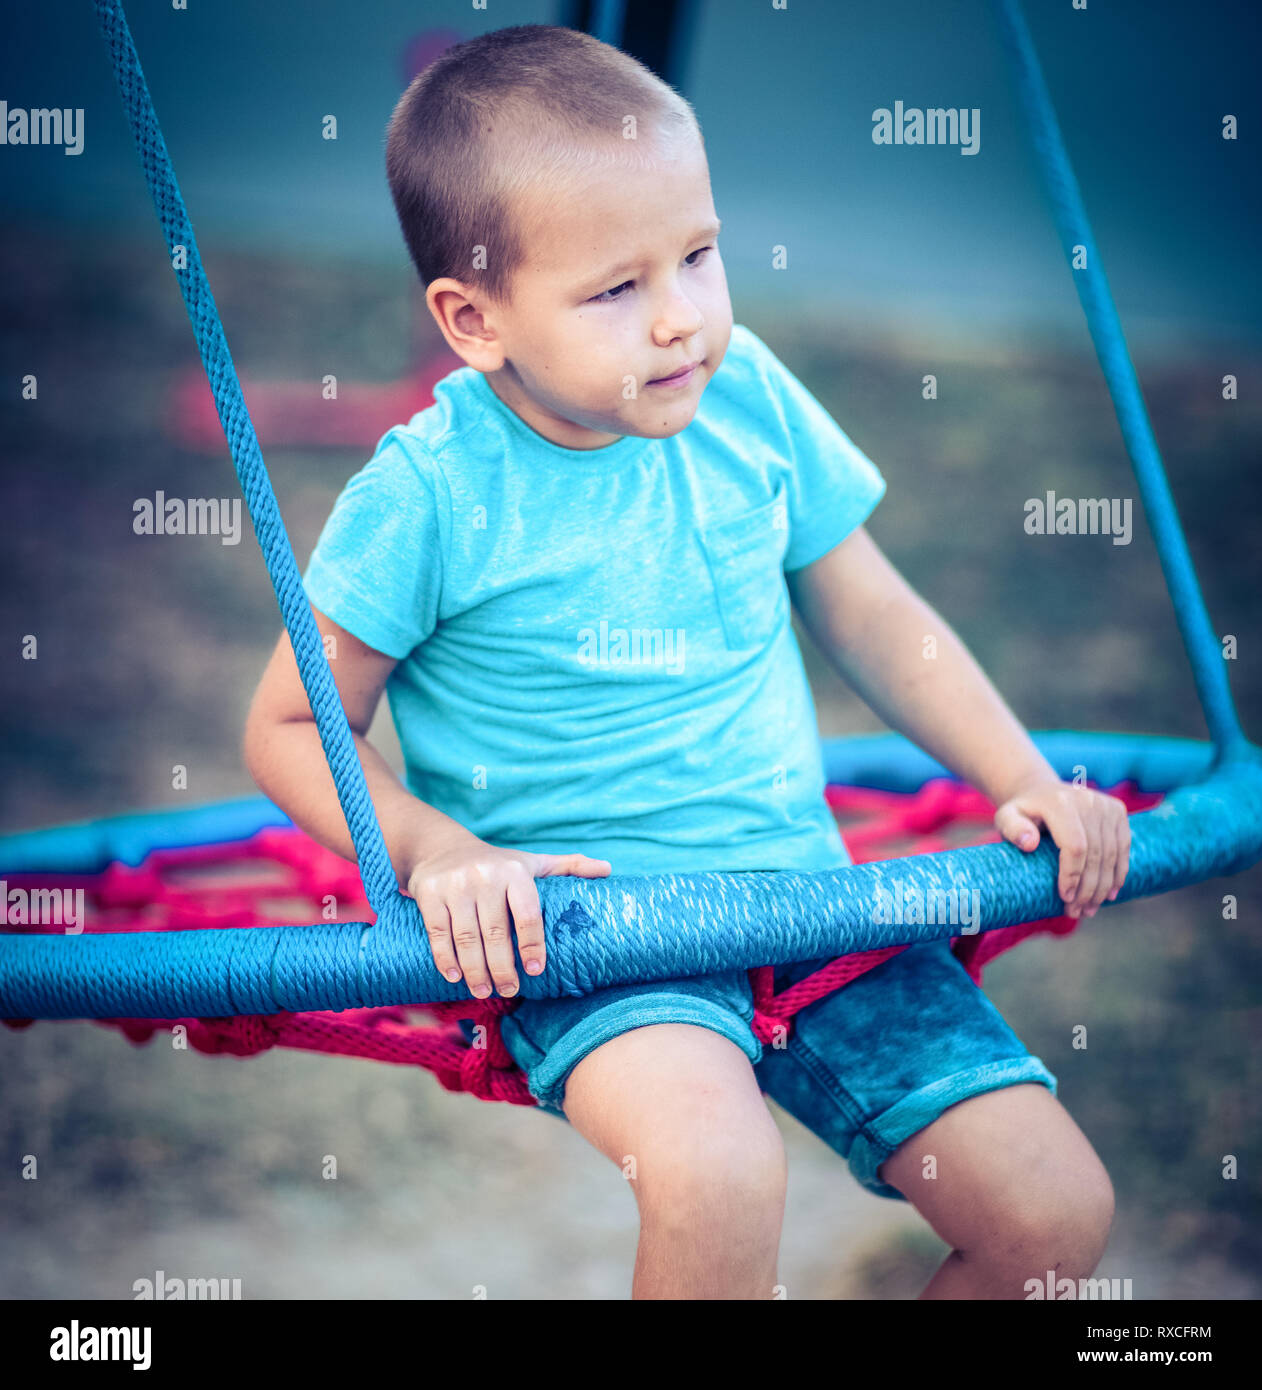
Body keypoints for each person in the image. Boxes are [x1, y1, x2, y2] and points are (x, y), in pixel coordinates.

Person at [243, 24, 1127, 1300]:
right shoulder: (430, 495)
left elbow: (877, 613)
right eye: (614, 290)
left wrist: (1019, 774)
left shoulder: (745, 397)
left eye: (700, 256)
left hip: (807, 902)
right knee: (716, 1177)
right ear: (474, 319)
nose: (678, 320)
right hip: (597, 936)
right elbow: (284, 725)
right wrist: (438, 851)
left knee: (1050, 1218)